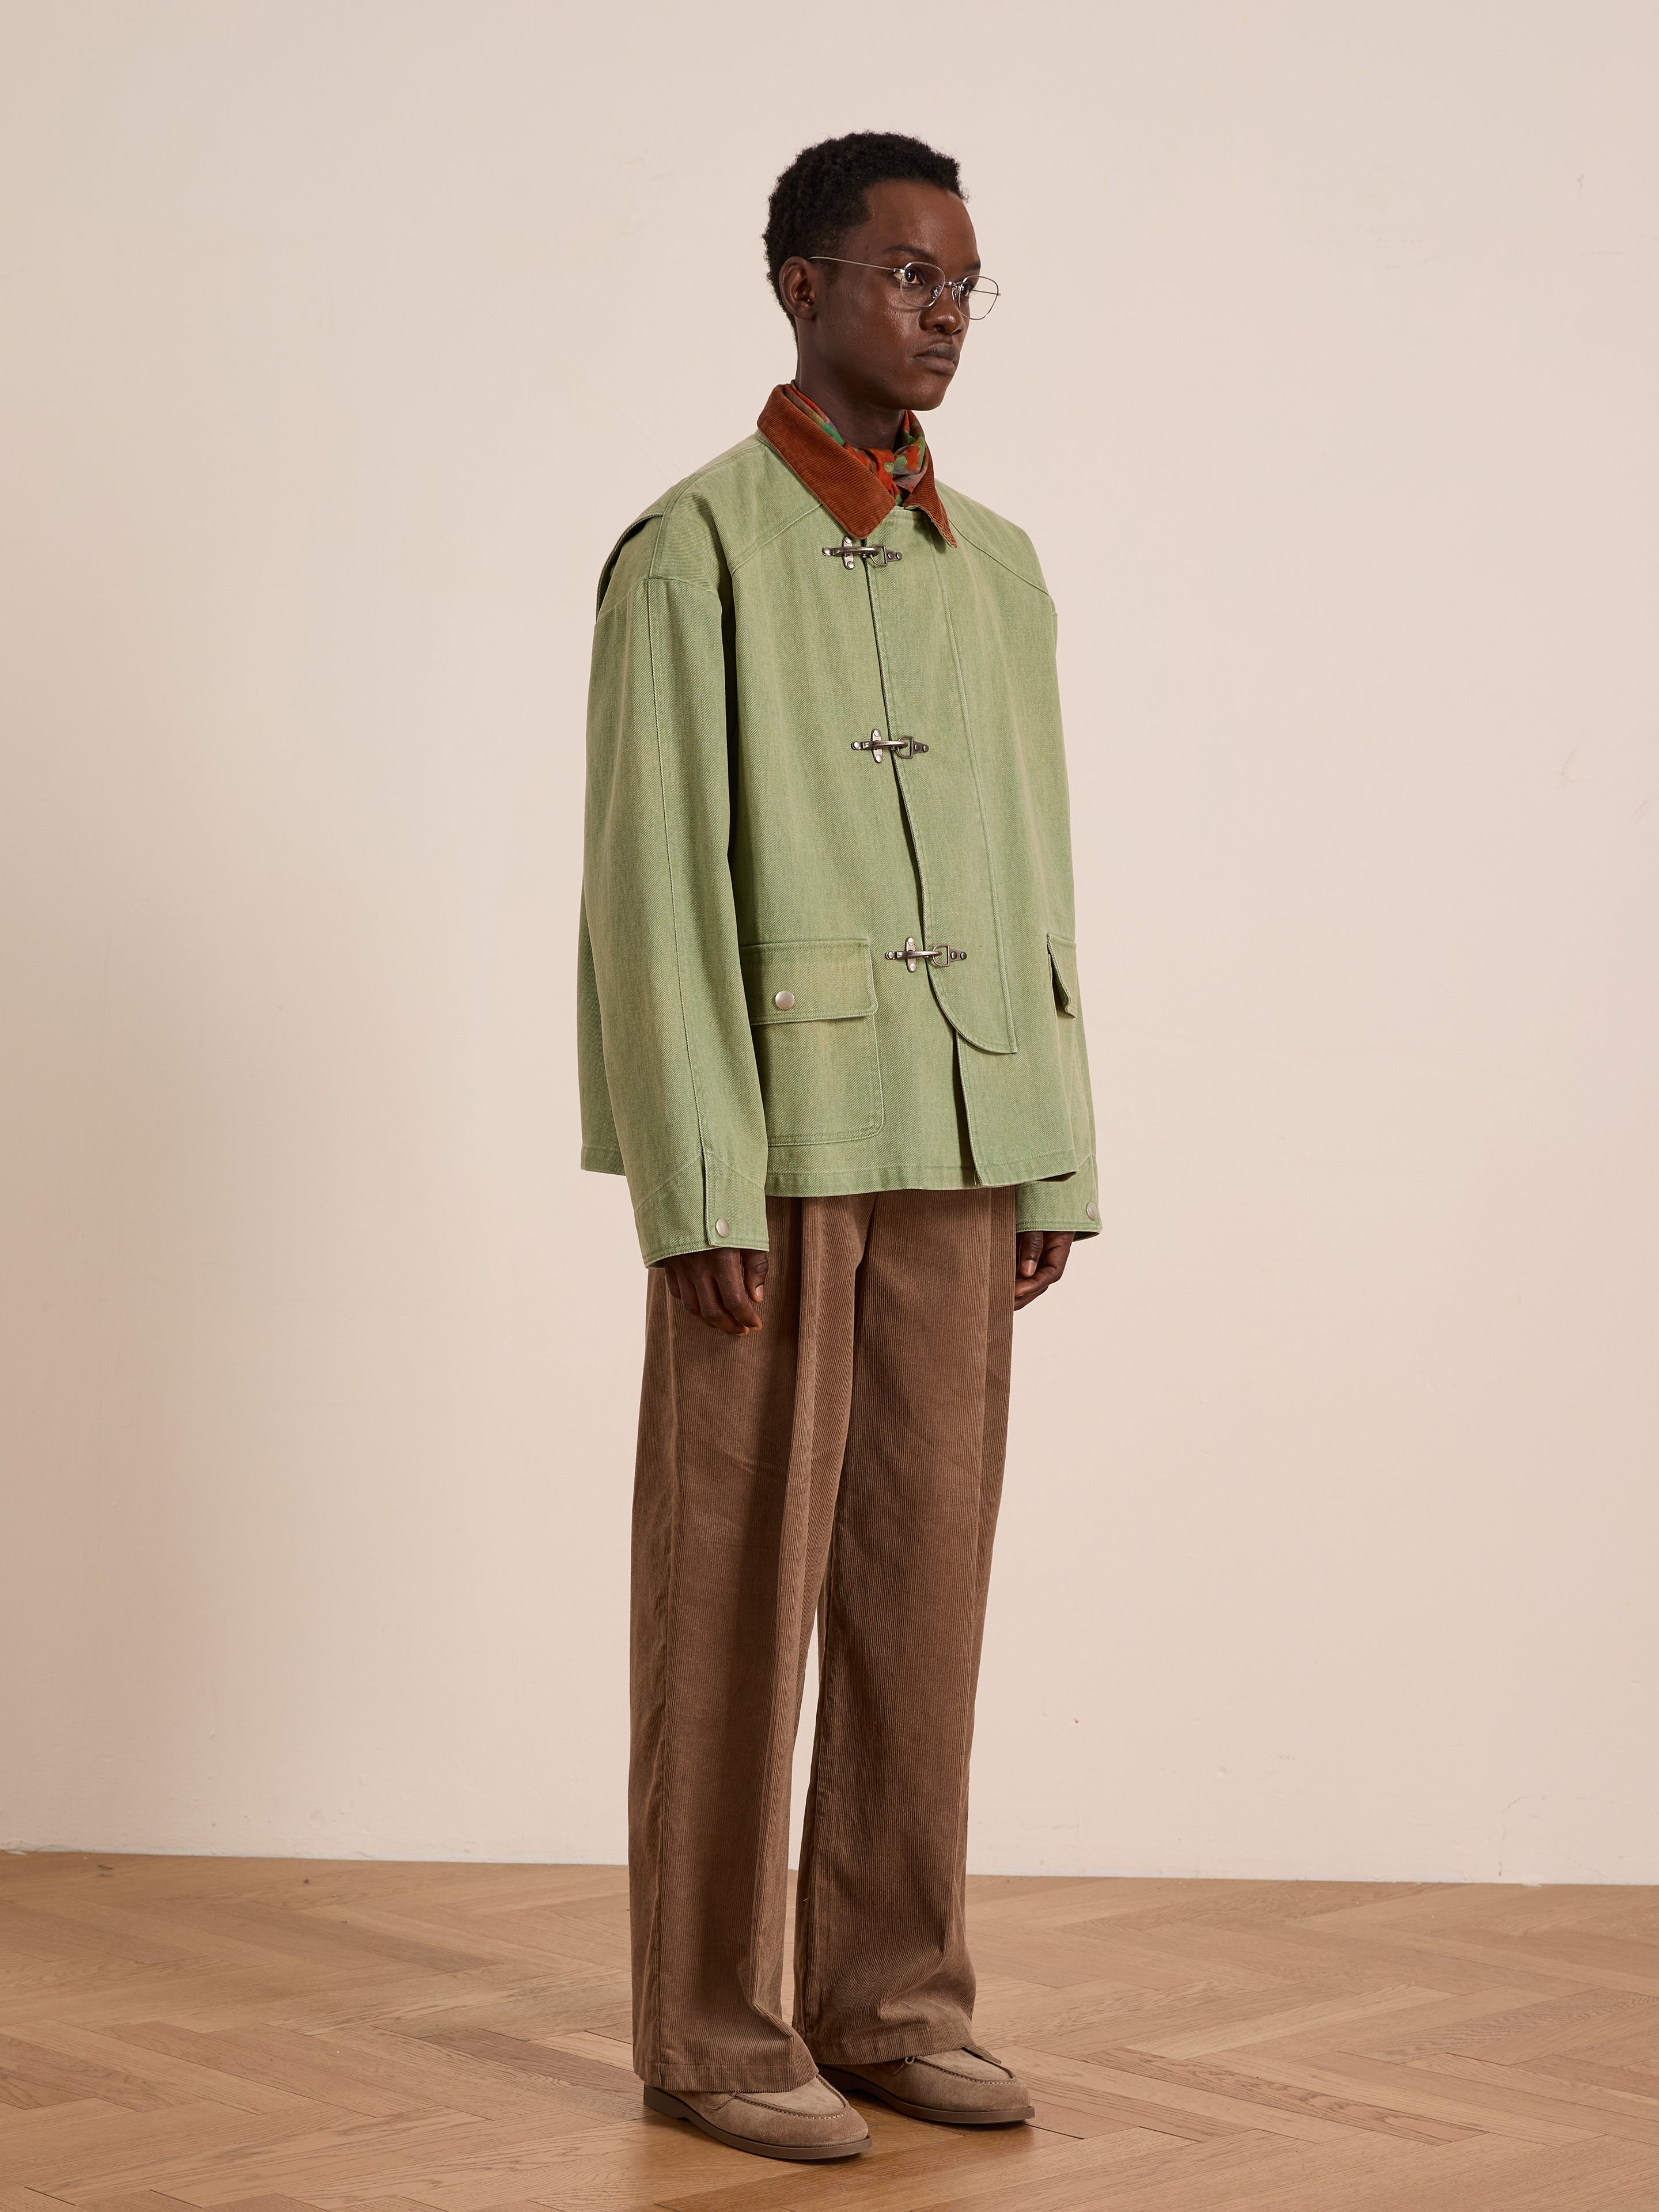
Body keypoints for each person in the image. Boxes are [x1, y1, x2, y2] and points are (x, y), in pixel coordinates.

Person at [577, 131, 1099, 2165]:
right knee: (731, 1589)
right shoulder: (688, 553)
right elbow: (648, 889)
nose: (945, 310)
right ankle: (711, 2031)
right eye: (907, 274)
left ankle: (893, 1999)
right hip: (777, 1150)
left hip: (967, 1124)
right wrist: (696, 1174)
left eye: (967, 281)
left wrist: (1054, 1145)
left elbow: (1040, 869)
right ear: (799, 284)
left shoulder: (1006, 572)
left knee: (920, 1583)